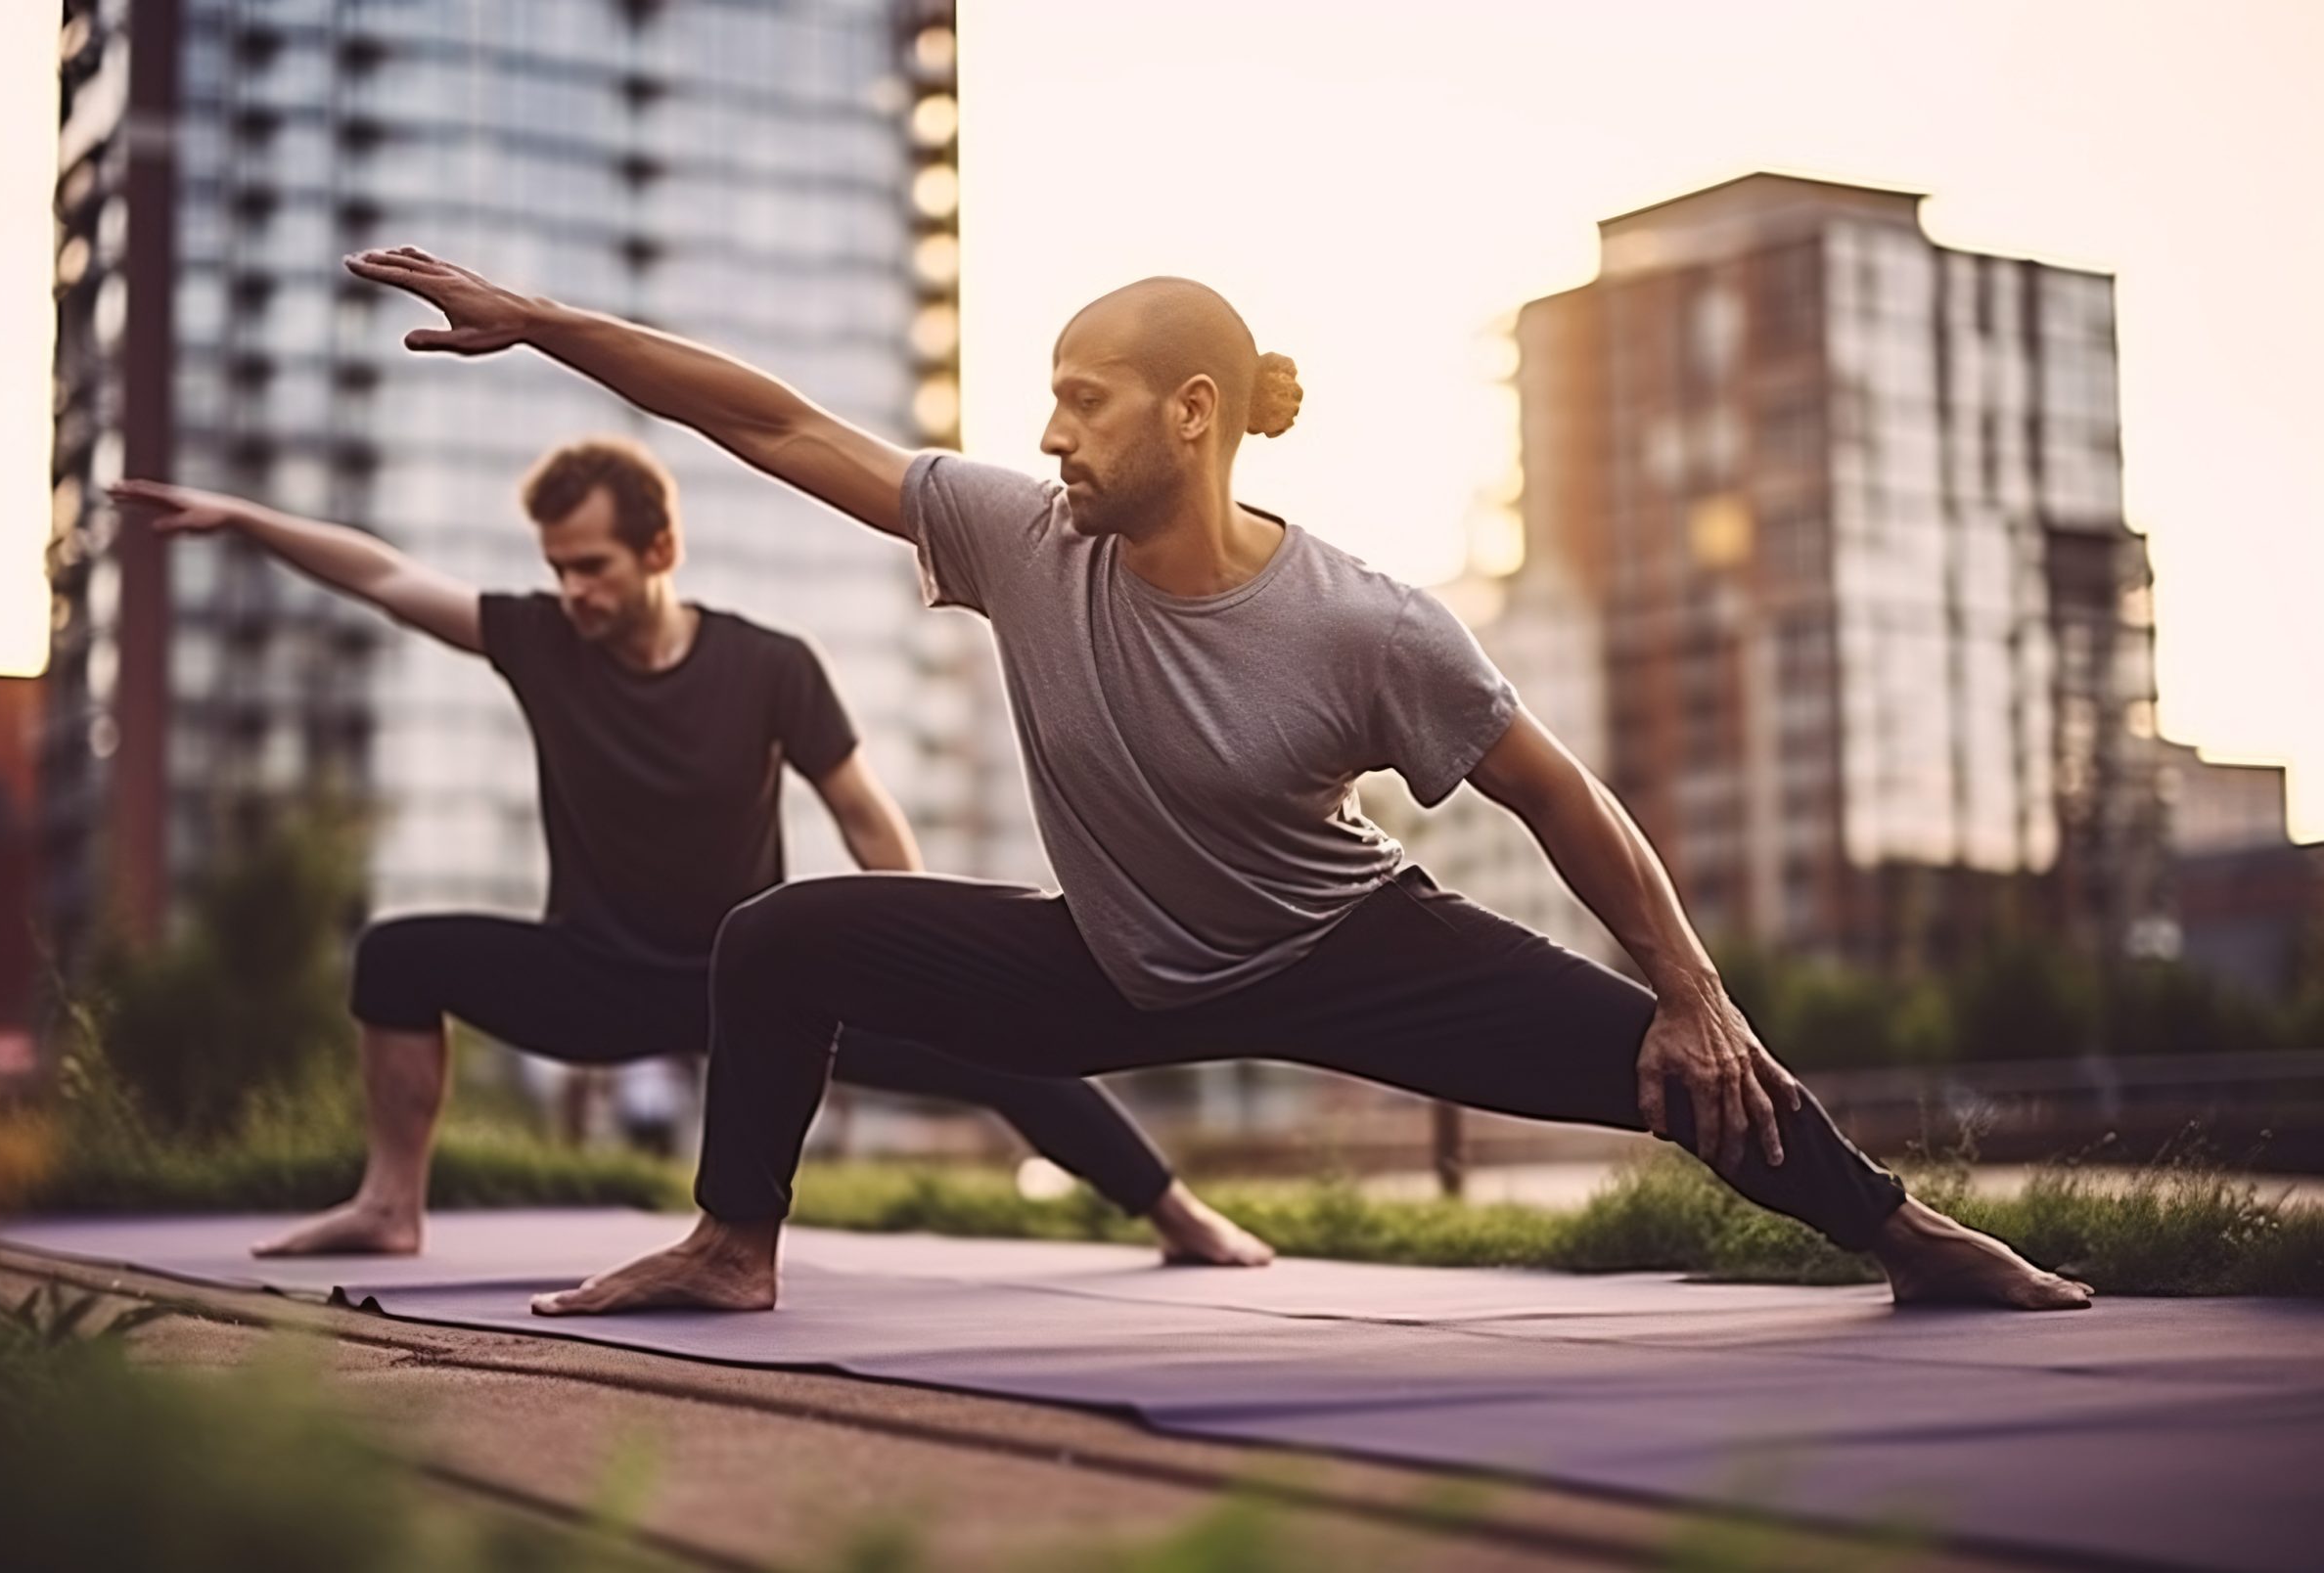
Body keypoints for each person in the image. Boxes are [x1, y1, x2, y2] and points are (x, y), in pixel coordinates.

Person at [340, 245, 2094, 1318]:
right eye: (1046, 400)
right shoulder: (1025, 540)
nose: (1046, 434)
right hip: (1103, 962)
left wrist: (1694, 992)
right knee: (782, 936)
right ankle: (735, 1240)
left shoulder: (1361, 624)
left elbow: (1560, 797)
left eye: (1082, 401)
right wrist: (545, 322)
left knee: (1665, 1069)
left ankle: (1905, 1226)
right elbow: (783, 425)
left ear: (1192, 413)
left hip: (1346, 947)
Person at [105, 438, 1272, 1267]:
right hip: (596, 977)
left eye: (592, 566)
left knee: (1001, 1052)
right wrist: (249, 520)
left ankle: (1176, 1214)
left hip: (752, 986)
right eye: (557, 567)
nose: (571, 590)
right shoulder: (540, 643)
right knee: (398, 957)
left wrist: (922, 954)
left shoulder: (768, 664)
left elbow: (862, 812)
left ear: (658, 548)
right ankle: (388, 1204)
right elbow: (384, 576)